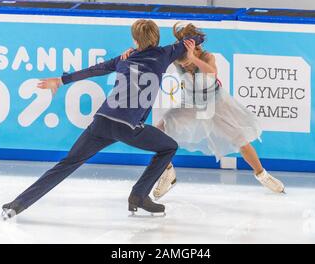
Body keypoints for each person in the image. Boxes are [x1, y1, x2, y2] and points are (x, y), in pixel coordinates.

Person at [1, 20, 204, 220]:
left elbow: (94, 70)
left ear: (135, 40)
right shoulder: (165, 54)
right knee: (168, 147)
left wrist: (60, 81)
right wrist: (189, 43)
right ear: (156, 38)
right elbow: (198, 36)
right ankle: (139, 195)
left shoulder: (125, 58)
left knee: (67, 164)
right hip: (129, 127)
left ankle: (17, 204)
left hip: (102, 121)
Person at [121, 23, 285, 200]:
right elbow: (153, 55)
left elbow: (212, 72)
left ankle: (262, 175)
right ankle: (168, 172)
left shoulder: (207, 57)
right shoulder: (177, 56)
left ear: (195, 46)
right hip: (190, 104)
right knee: (159, 130)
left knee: (240, 140)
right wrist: (132, 52)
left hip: (215, 104)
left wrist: (193, 57)